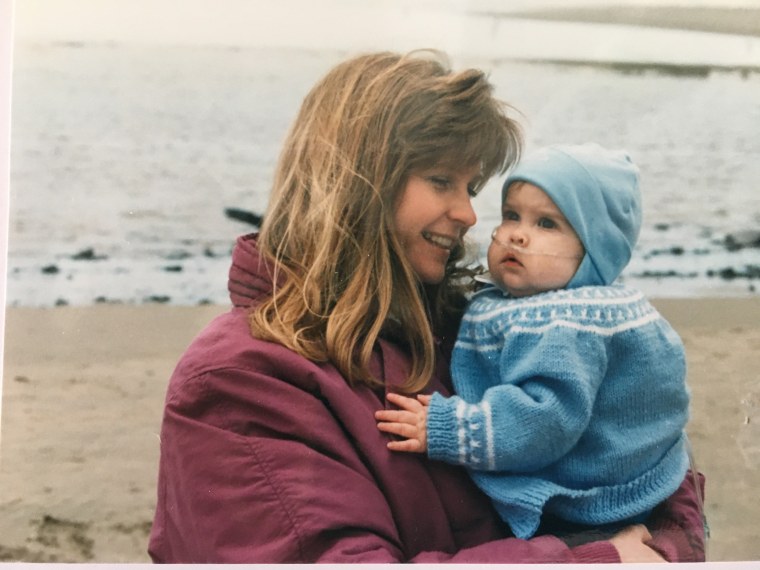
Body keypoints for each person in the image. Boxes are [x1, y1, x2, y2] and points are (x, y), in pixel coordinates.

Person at [148, 51, 706, 563]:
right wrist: (602, 559)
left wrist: (667, 542)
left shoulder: (470, 321)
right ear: (355, 182)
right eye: (442, 180)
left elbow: (642, 441)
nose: (468, 215)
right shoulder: (239, 381)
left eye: (472, 186)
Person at [375, 143, 693, 541]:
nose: (518, 236)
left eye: (547, 224)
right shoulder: (564, 303)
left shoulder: (565, 325)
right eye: (512, 216)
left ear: (595, 250)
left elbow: (545, 420)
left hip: (585, 506)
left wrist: (452, 429)